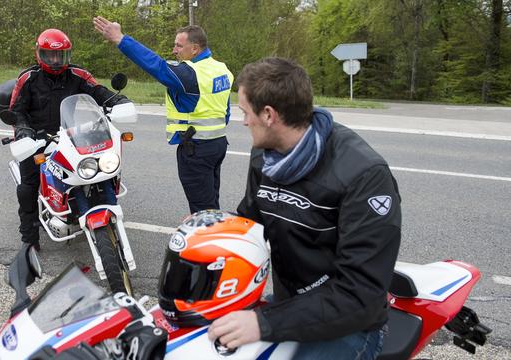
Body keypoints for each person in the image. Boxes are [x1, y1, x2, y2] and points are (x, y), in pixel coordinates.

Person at [206, 58, 402, 359]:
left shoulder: (364, 174)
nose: (244, 121)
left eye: (245, 112)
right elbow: (252, 222)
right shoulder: (266, 154)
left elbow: (360, 292)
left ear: (269, 114)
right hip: (293, 305)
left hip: (351, 322)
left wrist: (264, 322)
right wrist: (213, 228)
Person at [93, 17, 233, 214]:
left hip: (196, 149)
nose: (174, 50)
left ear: (194, 49)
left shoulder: (190, 74)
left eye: (179, 46)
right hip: (217, 145)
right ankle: (211, 229)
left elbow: (155, 65)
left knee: (202, 212)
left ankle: (207, 238)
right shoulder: (221, 69)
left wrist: (120, 39)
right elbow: (225, 112)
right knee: (210, 202)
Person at [8, 28, 129, 250]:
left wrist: (118, 101)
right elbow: (16, 110)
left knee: (98, 168)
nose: (55, 61)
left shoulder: (78, 75)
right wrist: (25, 131)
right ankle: (29, 237)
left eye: (59, 55)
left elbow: (97, 90)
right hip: (38, 139)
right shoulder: (29, 78)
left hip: (70, 135)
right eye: (50, 55)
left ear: (67, 55)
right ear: (39, 54)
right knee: (28, 186)